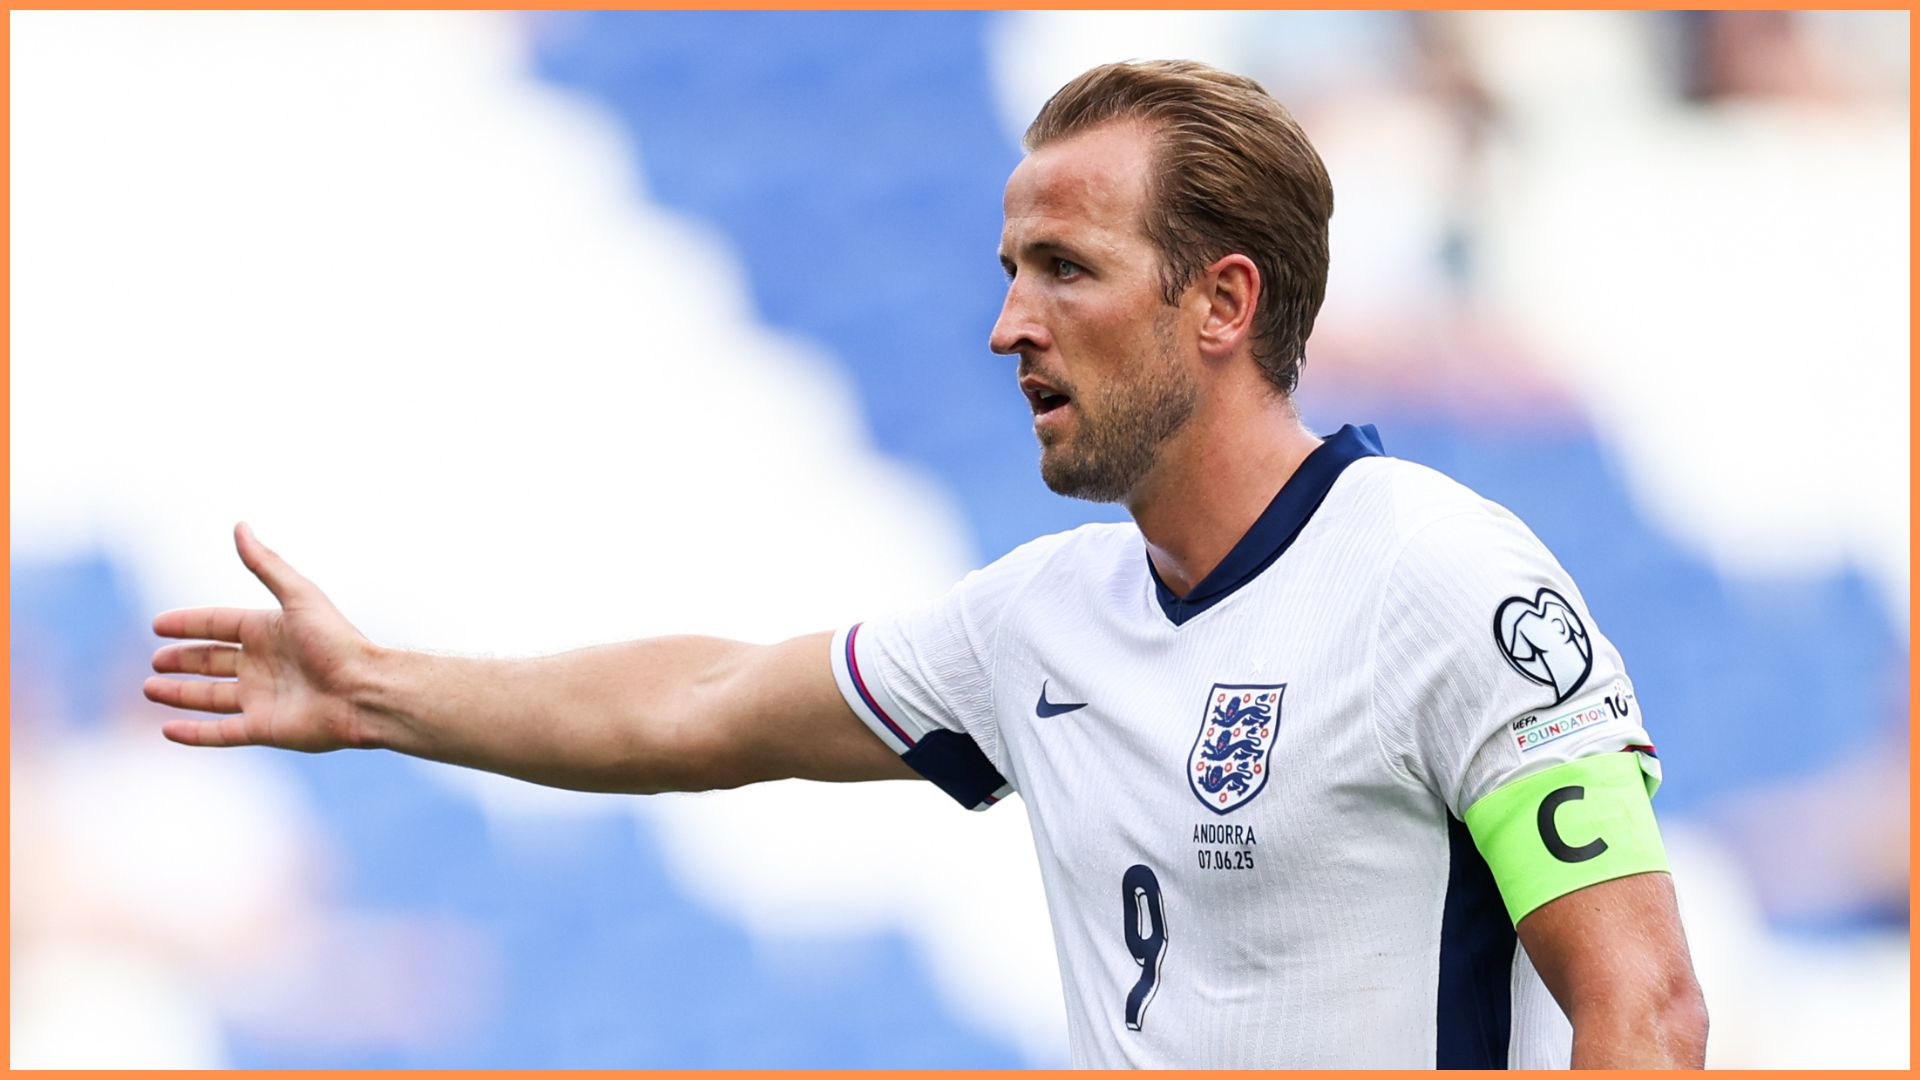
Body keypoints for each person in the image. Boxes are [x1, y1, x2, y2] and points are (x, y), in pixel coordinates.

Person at [145, 60, 1707, 1068]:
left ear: (1223, 304)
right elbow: (701, 707)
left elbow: (1643, 1009)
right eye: (1011, 269)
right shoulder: (1042, 621)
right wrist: (380, 692)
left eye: (1065, 270)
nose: (1010, 325)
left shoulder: (1440, 578)